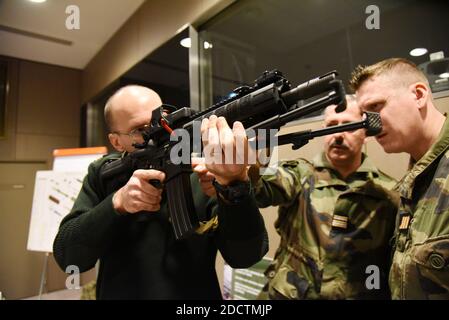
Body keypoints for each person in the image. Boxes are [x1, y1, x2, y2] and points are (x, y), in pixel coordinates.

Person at [53, 85, 268, 300]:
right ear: (116, 141)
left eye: (163, 120)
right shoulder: (103, 174)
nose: (159, 132)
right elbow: (69, 257)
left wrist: (233, 186)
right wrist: (116, 203)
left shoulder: (203, 170)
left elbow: (246, 256)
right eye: (140, 129)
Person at [202, 96, 399, 299]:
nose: (338, 135)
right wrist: (242, 168)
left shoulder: (388, 192)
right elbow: (259, 188)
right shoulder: (301, 174)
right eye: (332, 125)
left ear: (365, 133)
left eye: (349, 126)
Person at [351, 58, 449, 299]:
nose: (368, 126)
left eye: (376, 107)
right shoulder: (412, 184)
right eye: (364, 115)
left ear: (418, 95)